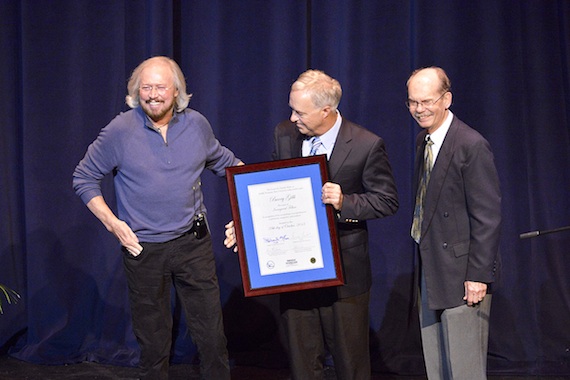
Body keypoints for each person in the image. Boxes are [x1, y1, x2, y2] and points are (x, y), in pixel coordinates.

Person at [73, 56, 242, 380]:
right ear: (136, 91)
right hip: (143, 249)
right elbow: (83, 178)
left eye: (160, 87)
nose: (152, 94)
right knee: (153, 341)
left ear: (176, 90)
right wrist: (115, 225)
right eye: (145, 87)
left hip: (193, 244)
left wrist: (247, 213)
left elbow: (231, 167)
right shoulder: (119, 130)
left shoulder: (197, 125)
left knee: (211, 336)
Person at [225, 69, 398, 379]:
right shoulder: (284, 134)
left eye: (299, 111)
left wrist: (346, 202)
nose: (292, 118)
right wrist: (245, 224)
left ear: (326, 111)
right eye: (291, 109)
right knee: (303, 363)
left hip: (346, 275)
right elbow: (275, 192)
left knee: (351, 365)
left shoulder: (366, 145)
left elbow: (387, 201)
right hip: (295, 270)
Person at [406, 67, 501, 379]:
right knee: (437, 367)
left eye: (426, 101)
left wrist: (478, 275)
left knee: (464, 370)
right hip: (431, 265)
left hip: (463, 275)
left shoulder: (470, 144)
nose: (419, 109)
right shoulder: (424, 140)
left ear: (446, 99)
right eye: (412, 102)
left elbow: (487, 217)